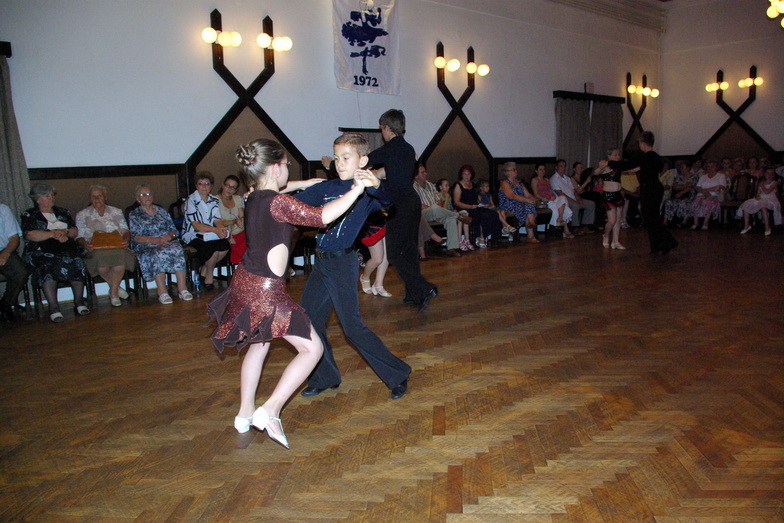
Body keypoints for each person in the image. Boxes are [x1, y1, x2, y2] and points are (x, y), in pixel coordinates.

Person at [208, 138, 369, 448]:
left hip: (244, 281)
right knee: (312, 349)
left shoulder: (253, 196)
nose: (288, 171)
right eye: (286, 166)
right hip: (266, 291)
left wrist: (305, 182)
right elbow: (322, 217)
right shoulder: (279, 204)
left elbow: (278, 187)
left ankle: (244, 414)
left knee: (259, 346)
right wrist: (356, 190)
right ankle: (270, 409)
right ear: (275, 167)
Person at [295, 133, 411, 400]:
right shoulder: (328, 187)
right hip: (322, 263)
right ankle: (325, 377)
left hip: (342, 262)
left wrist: (376, 183)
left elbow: (389, 200)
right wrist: (268, 194)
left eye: (346, 158)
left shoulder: (367, 191)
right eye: (336, 158)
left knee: (352, 327)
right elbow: (295, 203)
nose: (339, 163)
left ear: (363, 160)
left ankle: (398, 373)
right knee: (309, 320)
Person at [368, 109, 438, 310]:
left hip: (398, 203)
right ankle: (413, 294)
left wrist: (333, 165)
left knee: (395, 253)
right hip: (411, 200)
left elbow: (365, 160)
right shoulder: (408, 148)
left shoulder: (390, 148)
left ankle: (424, 288)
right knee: (408, 250)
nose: (382, 132)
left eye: (382, 129)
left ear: (387, 127)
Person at [20, 183, 90, 322]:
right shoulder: (30, 214)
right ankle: (54, 307)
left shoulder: (63, 212)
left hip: (65, 248)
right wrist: (53, 234)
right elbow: (30, 235)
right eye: (47, 196)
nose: (51, 198)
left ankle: (79, 302)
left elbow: (74, 231)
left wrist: (65, 232)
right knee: (47, 264)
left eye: (52, 195)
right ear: (38, 199)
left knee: (76, 260)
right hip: (41, 251)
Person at [608, 131, 678, 254]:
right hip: (656, 188)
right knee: (653, 217)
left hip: (649, 189)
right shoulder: (656, 157)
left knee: (651, 218)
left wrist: (610, 163)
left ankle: (668, 243)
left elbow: (628, 164)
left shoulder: (645, 157)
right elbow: (639, 168)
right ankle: (659, 246)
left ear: (643, 143)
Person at [128, 185, 192, 304]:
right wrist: (156, 240)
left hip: (166, 241)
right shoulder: (134, 214)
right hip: (146, 244)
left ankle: (182, 288)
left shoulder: (161, 211)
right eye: (143, 195)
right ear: (138, 199)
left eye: (149, 194)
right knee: (157, 252)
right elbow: (136, 237)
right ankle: (162, 291)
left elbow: (174, 230)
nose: (147, 197)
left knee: (177, 249)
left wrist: (170, 236)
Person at [75, 185, 137, 307]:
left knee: (121, 257)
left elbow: (125, 231)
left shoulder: (116, 211)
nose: (97, 199)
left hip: (116, 246)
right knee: (101, 263)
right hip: (95, 248)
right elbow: (79, 236)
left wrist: (126, 240)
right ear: (90, 198)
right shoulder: (82, 214)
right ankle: (116, 288)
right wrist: (85, 244)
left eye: (100, 196)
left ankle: (113, 293)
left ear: (105, 197)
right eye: (94, 196)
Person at [182, 172, 230, 290]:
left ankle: (204, 269)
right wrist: (215, 230)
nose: (204, 186)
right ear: (196, 186)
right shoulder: (191, 200)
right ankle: (209, 277)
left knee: (225, 245)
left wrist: (221, 229)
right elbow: (196, 225)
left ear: (211, 186)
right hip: (192, 234)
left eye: (207, 184)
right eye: (201, 183)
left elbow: (217, 220)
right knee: (212, 250)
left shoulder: (214, 199)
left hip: (210, 233)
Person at [412, 163, 463, 257]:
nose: (426, 174)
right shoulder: (412, 186)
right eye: (423, 172)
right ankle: (458, 216)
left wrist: (439, 212)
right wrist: (434, 210)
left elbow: (438, 199)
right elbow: (417, 204)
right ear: (416, 175)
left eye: (426, 172)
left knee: (450, 219)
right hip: (423, 214)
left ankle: (451, 249)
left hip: (437, 212)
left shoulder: (430, 185)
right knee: (435, 208)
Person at [453, 165, 503, 248]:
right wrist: (469, 206)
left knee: (492, 213)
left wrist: (482, 205)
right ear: (461, 175)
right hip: (464, 207)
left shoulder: (473, 184)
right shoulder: (458, 185)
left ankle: (488, 236)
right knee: (481, 215)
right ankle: (480, 236)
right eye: (464, 174)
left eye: (468, 174)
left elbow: (477, 199)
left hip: (475, 206)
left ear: (471, 175)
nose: (466, 176)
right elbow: (456, 202)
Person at [595, 148, 634, 250]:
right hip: (608, 195)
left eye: (618, 155)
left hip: (618, 195)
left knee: (618, 219)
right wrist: (604, 166)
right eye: (615, 155)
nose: (617, 157)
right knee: (612, 220)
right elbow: (596, 172)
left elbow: (631, 169)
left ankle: (616, 241)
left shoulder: (619, 167)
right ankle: (606, 235)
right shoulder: (606, 164)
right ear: (609, 156)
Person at [549, 159, 595, 234]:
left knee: (591, 204)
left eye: (564, 166)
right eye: (561, 166)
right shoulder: (554, 178)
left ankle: (585, 226)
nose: (563, 168)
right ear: (556, 167)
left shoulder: (567, 178)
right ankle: (575, 227)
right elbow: (559, 193)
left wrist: (579, 199)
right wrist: (573, 201)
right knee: (575, 205)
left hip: (573, 198)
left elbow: (574, 191)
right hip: (564, 200)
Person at [497, 162, 539, 243]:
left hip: (520, 203)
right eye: (513, 170)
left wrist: (532, 199)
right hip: (508, 205)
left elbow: (527, 194)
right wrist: (526, 200)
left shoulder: (519, 183)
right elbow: (512, 196)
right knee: (527, 205)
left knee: (529, 204)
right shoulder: (505, 183)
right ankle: (531, 230)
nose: (516, 171)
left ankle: (531, 225)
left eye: (515, 169)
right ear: (507, 172)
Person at [0, 202, 28, 321]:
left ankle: (5, 304)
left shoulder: (3, 209)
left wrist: (6, 254)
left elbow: (14, 238)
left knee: (20, 272)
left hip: (3, 249)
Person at [531, 163, 574, 237]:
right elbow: (536, 194)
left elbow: (550, 191)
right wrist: (544, 198)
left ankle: (560, 218)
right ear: (536, 171)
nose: (542, 171)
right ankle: (566, 230)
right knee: (561, 208)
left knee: (563, 198)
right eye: (540, 169)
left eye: (544, 169)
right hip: (543, 200)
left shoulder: (547, 180)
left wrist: (553, 196)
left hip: (551, 198)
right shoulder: (534, 180)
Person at [738, 167, 781, 236]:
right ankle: (747, 225)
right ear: (764, 174)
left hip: (771, 199)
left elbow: (767, 191)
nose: (769, 175)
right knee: (747, 204)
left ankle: (767, 227)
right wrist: (757, 196)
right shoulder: (761, 183)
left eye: (772, 174)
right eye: (768, 173)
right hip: (762, 198)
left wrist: (762, 185)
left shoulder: (774, 183)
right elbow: (758, 193)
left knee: (763, 205)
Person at [688, 160, 728, 231]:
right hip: (702, 194)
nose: (710, 168)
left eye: (712, 166)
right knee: (696, 201)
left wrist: (707, 190)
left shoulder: (721, 176)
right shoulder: (703, 176)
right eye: (708, 167)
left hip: (715, 195)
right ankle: (695, 223)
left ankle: (705, 223)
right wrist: (704, 191)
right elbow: (697, 187)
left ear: (716, 167)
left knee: (707, 201)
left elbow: (721, 186)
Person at [359, 212, 392, 297]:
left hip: (383, 218)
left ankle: (378, 285)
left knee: (386, 255)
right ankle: (365, 277)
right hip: (368, 221)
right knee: (377, 259)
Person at [437, 177, 473, 251]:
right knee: (459, 218)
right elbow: (442, 210)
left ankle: (467, 239)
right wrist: (446, 198)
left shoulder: (449, 195)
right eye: (446, 185)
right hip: (444, 215)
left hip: (451, 213)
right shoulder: (438, 196)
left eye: (448, 185)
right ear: (440, 187)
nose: (448, 187)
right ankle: (459, 240)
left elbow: (451, 207)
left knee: (464, 214)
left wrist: (454, 210)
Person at [217, 174, 246, 265]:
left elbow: (242, 215)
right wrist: (234, 221)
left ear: (236, 190)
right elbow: (217, 222)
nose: (229, 189)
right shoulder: (215, 200)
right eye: (227, 186)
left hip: (241, 230)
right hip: (227, 233)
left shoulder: (237, 199)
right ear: (223, 185)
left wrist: (242, 220)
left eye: (233, 188)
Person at [662, 160, 698, 226]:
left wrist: (681, 191)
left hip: (689, 195)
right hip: (678, 194)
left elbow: (690, 187)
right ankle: (665, 221)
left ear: (688, 168)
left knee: (683, 203)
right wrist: (684, 185)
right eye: (681, 168)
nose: (681, 169)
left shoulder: (694, 177)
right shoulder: (679, 176)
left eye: (683, 168)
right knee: (668, 202)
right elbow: (675, 186)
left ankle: (683, 221)